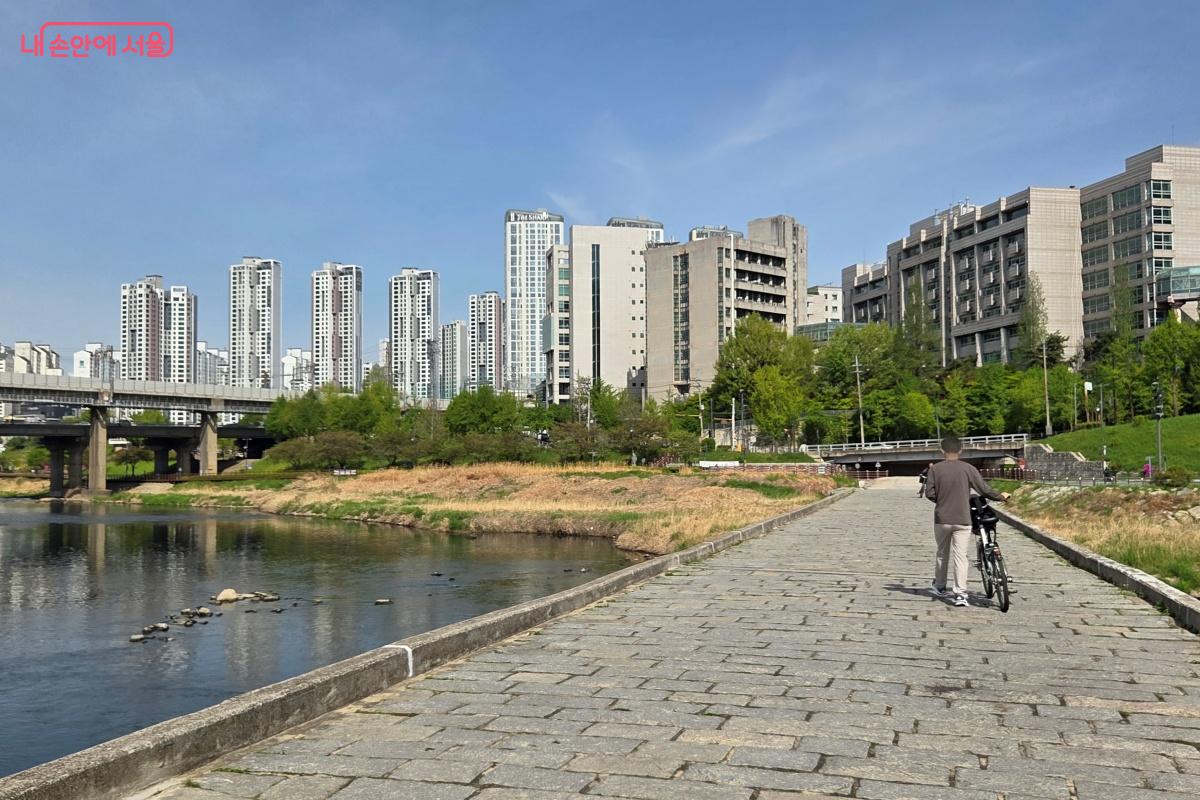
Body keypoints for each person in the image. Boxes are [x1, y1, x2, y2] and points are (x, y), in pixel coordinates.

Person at [923, 436, 1010, 607]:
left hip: (942, 519)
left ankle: (940, 586)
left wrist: (942, 501)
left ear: (942, 450)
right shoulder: (968, 468)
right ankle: (961, 594)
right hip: (963, 519)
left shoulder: (935, 469)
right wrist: (1000, 496)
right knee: (961, 556)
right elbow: (983, 489)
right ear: (961, 450)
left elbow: (929, 493)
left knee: (942, 553)